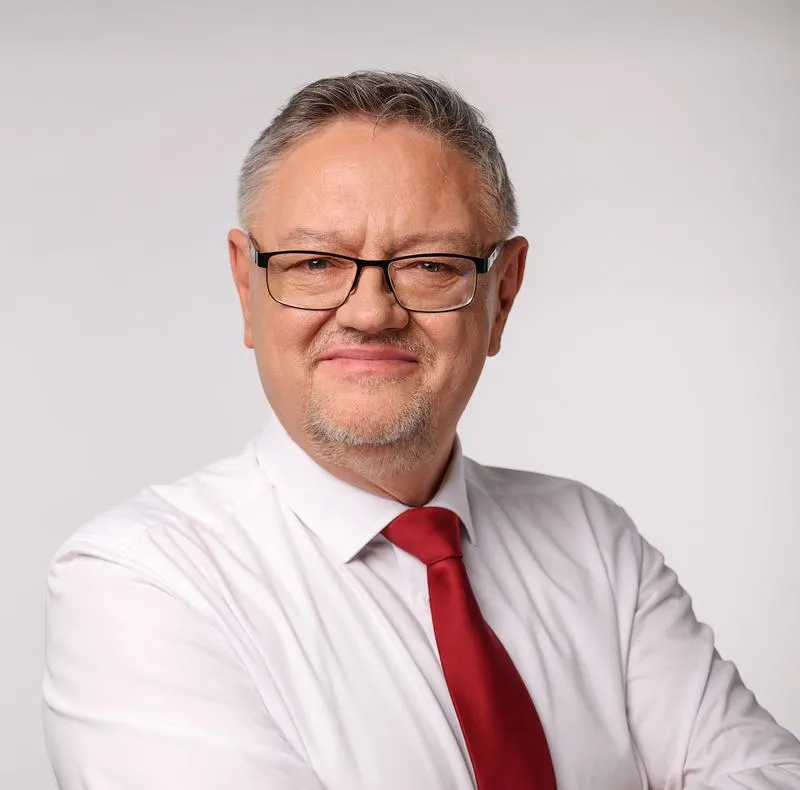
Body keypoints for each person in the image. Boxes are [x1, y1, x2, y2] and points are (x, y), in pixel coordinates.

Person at [43, 71, 800, 790]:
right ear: (248, 287)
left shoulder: (594, 545)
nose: (371, 312)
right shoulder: (140, 580)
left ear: (503, 295)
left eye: (431, 265)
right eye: (315, 261)